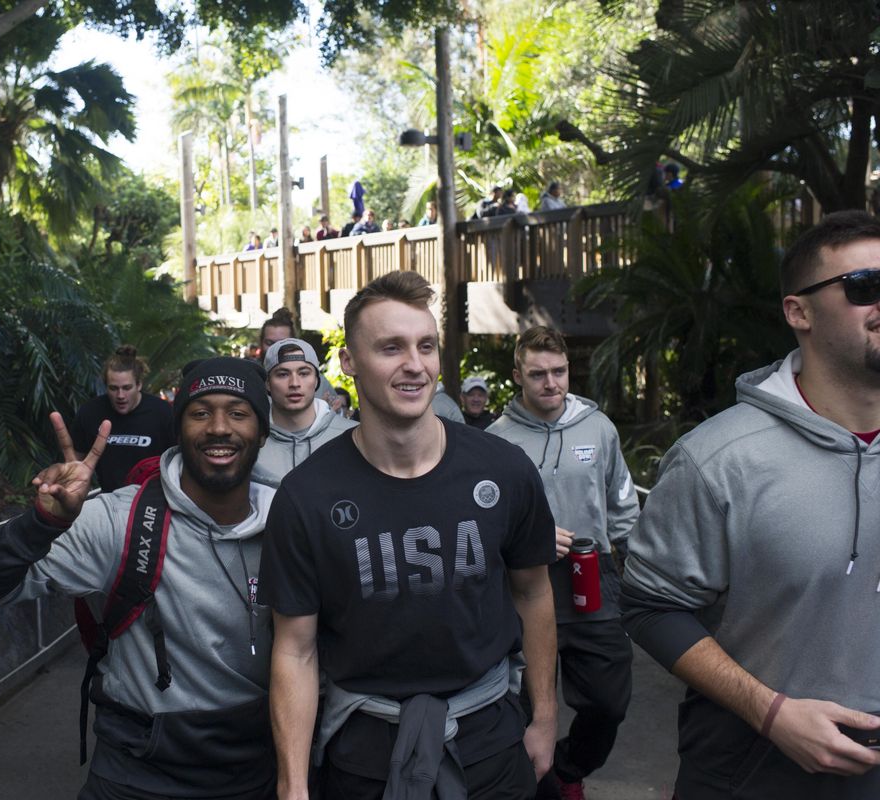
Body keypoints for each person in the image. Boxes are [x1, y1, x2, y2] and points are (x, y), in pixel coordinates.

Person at [262, 271, 559, 800]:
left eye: (426, 346)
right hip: (364, 752)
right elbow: (295, 650)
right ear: (349, 363)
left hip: (490, 738)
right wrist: (293, 783)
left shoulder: (503, 469)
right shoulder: (305, 496)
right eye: (391, 348)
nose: (414, 365)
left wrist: (544, 716)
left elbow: (533, 591)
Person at [621, 210, 880, 799]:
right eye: (865, 287)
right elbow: (649, 607)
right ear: (799, 312)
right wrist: (771, 713)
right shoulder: (717, 460)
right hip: (754, 771)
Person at [0, 357, 278, 799]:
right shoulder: (119, 520)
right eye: (200, 413)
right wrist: (41, 524)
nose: (219, 427)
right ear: (177, 429)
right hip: (136, 774)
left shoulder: (290, 524)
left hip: (255, 773)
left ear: (262, 431)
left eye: (238, 413)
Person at [488, 327, 639, 800]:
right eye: (538, 375)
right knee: (528, 703)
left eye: (558, 372)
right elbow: (482, 520)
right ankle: (536, 785)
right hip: (523, 580)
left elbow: (622, 503)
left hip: (592, 574)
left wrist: (632, 563)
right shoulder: (497, 441)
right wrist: (524, 537)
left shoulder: (598, 427)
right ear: (518, 377)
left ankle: (568, 768)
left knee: (609, 700)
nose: (551, 383)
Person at [252, 338, 356, 489]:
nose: (294, 383)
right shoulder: (251, 439)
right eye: (283, 374)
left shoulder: (352, 435)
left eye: (304, 373)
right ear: (267, 383)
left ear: (316, 380)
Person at [71, 345, 175, 492]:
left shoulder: (163, 413)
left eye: (126, 388)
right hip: (108, 498)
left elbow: (178, 460)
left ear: (139, 385)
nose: (120, 396)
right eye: (113, 388)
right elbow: (76, 459)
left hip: (153, 497)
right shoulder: (90, 412)